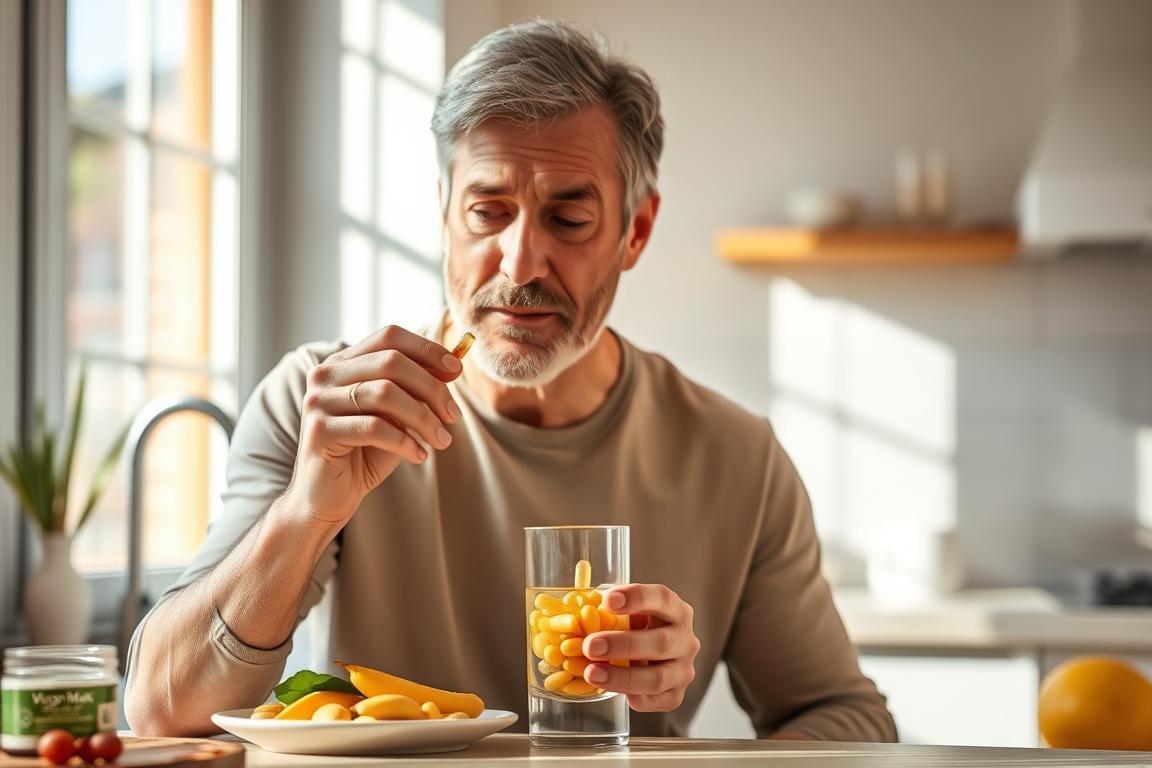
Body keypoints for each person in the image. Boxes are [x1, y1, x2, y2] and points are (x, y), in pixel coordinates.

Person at [124, 19, 896, 741]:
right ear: (443, 214)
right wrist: (304, 513)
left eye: (569, 219)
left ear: (637, 231)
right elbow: (161, 709)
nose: (520, 264)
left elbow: (851, 718)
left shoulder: (737, 457)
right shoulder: (320, 405)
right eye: (488, 212)